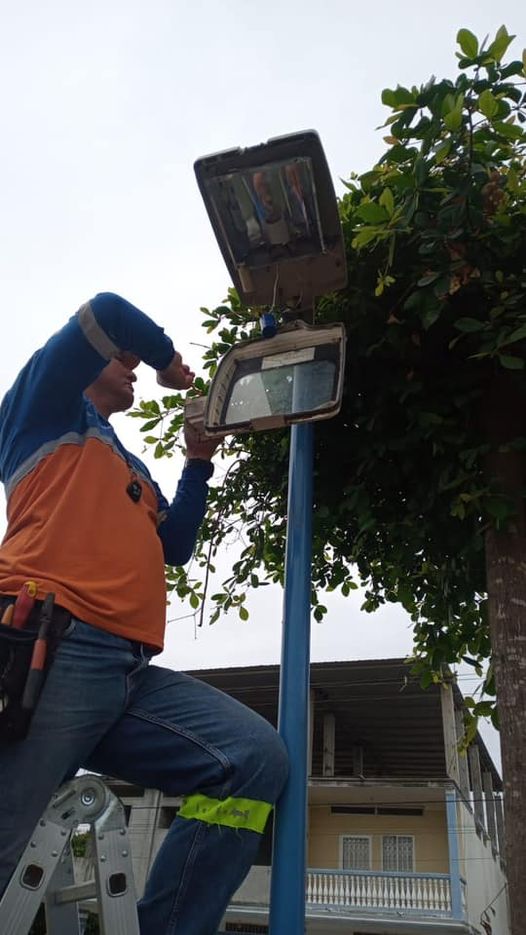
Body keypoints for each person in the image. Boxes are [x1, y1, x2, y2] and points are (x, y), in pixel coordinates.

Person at [0, 292, 288, 934]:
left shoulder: (127, 466)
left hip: (127, 673)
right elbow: (108, 312)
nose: (128, 365)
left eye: (134, 360)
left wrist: (197, 463)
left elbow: (175, 546)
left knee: (252, 757)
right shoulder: (41, 408)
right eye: (119, 358)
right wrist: (165, 360)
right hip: (52, 646)